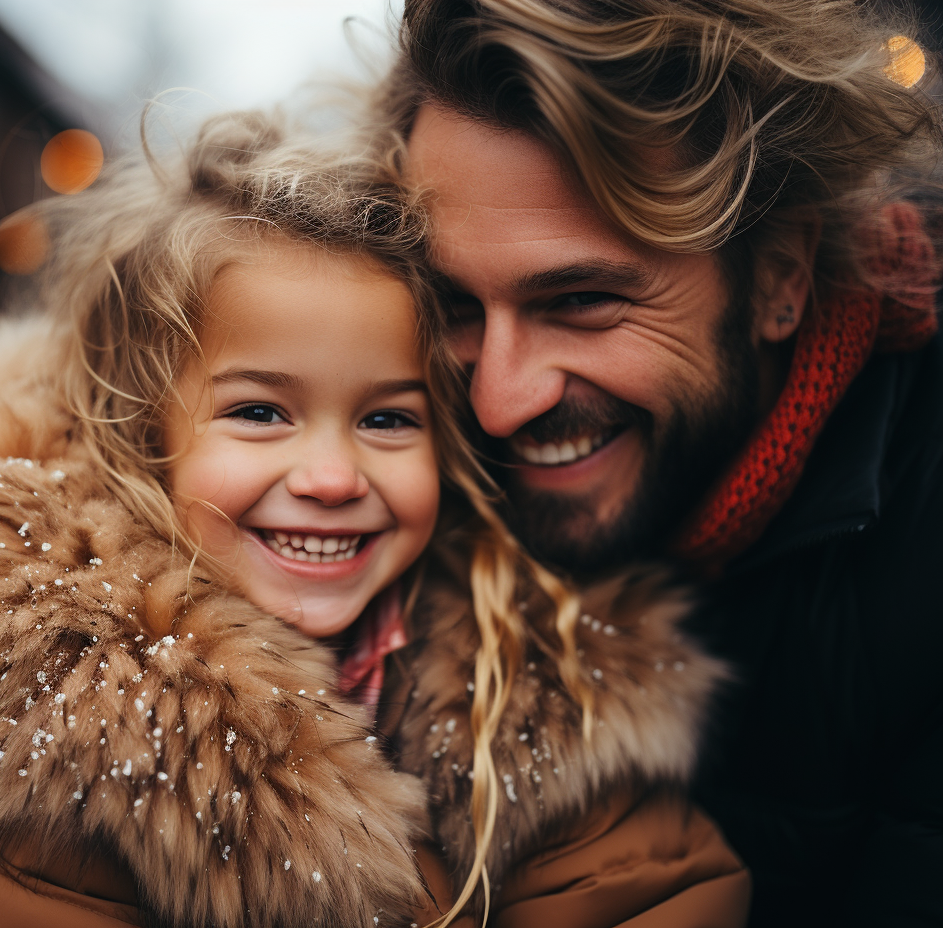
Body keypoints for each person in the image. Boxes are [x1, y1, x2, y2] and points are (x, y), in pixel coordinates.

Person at [0, 109, 745, 927]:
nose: (334, 477)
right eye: (261, 412)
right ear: (145, 436)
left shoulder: (536, 688)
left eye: (388, 419)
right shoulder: (21, 743)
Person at [378, 0, 943, 925]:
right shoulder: (374, 476)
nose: (496, 401)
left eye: (584, 300)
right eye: (457, 306)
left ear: (780, 278)